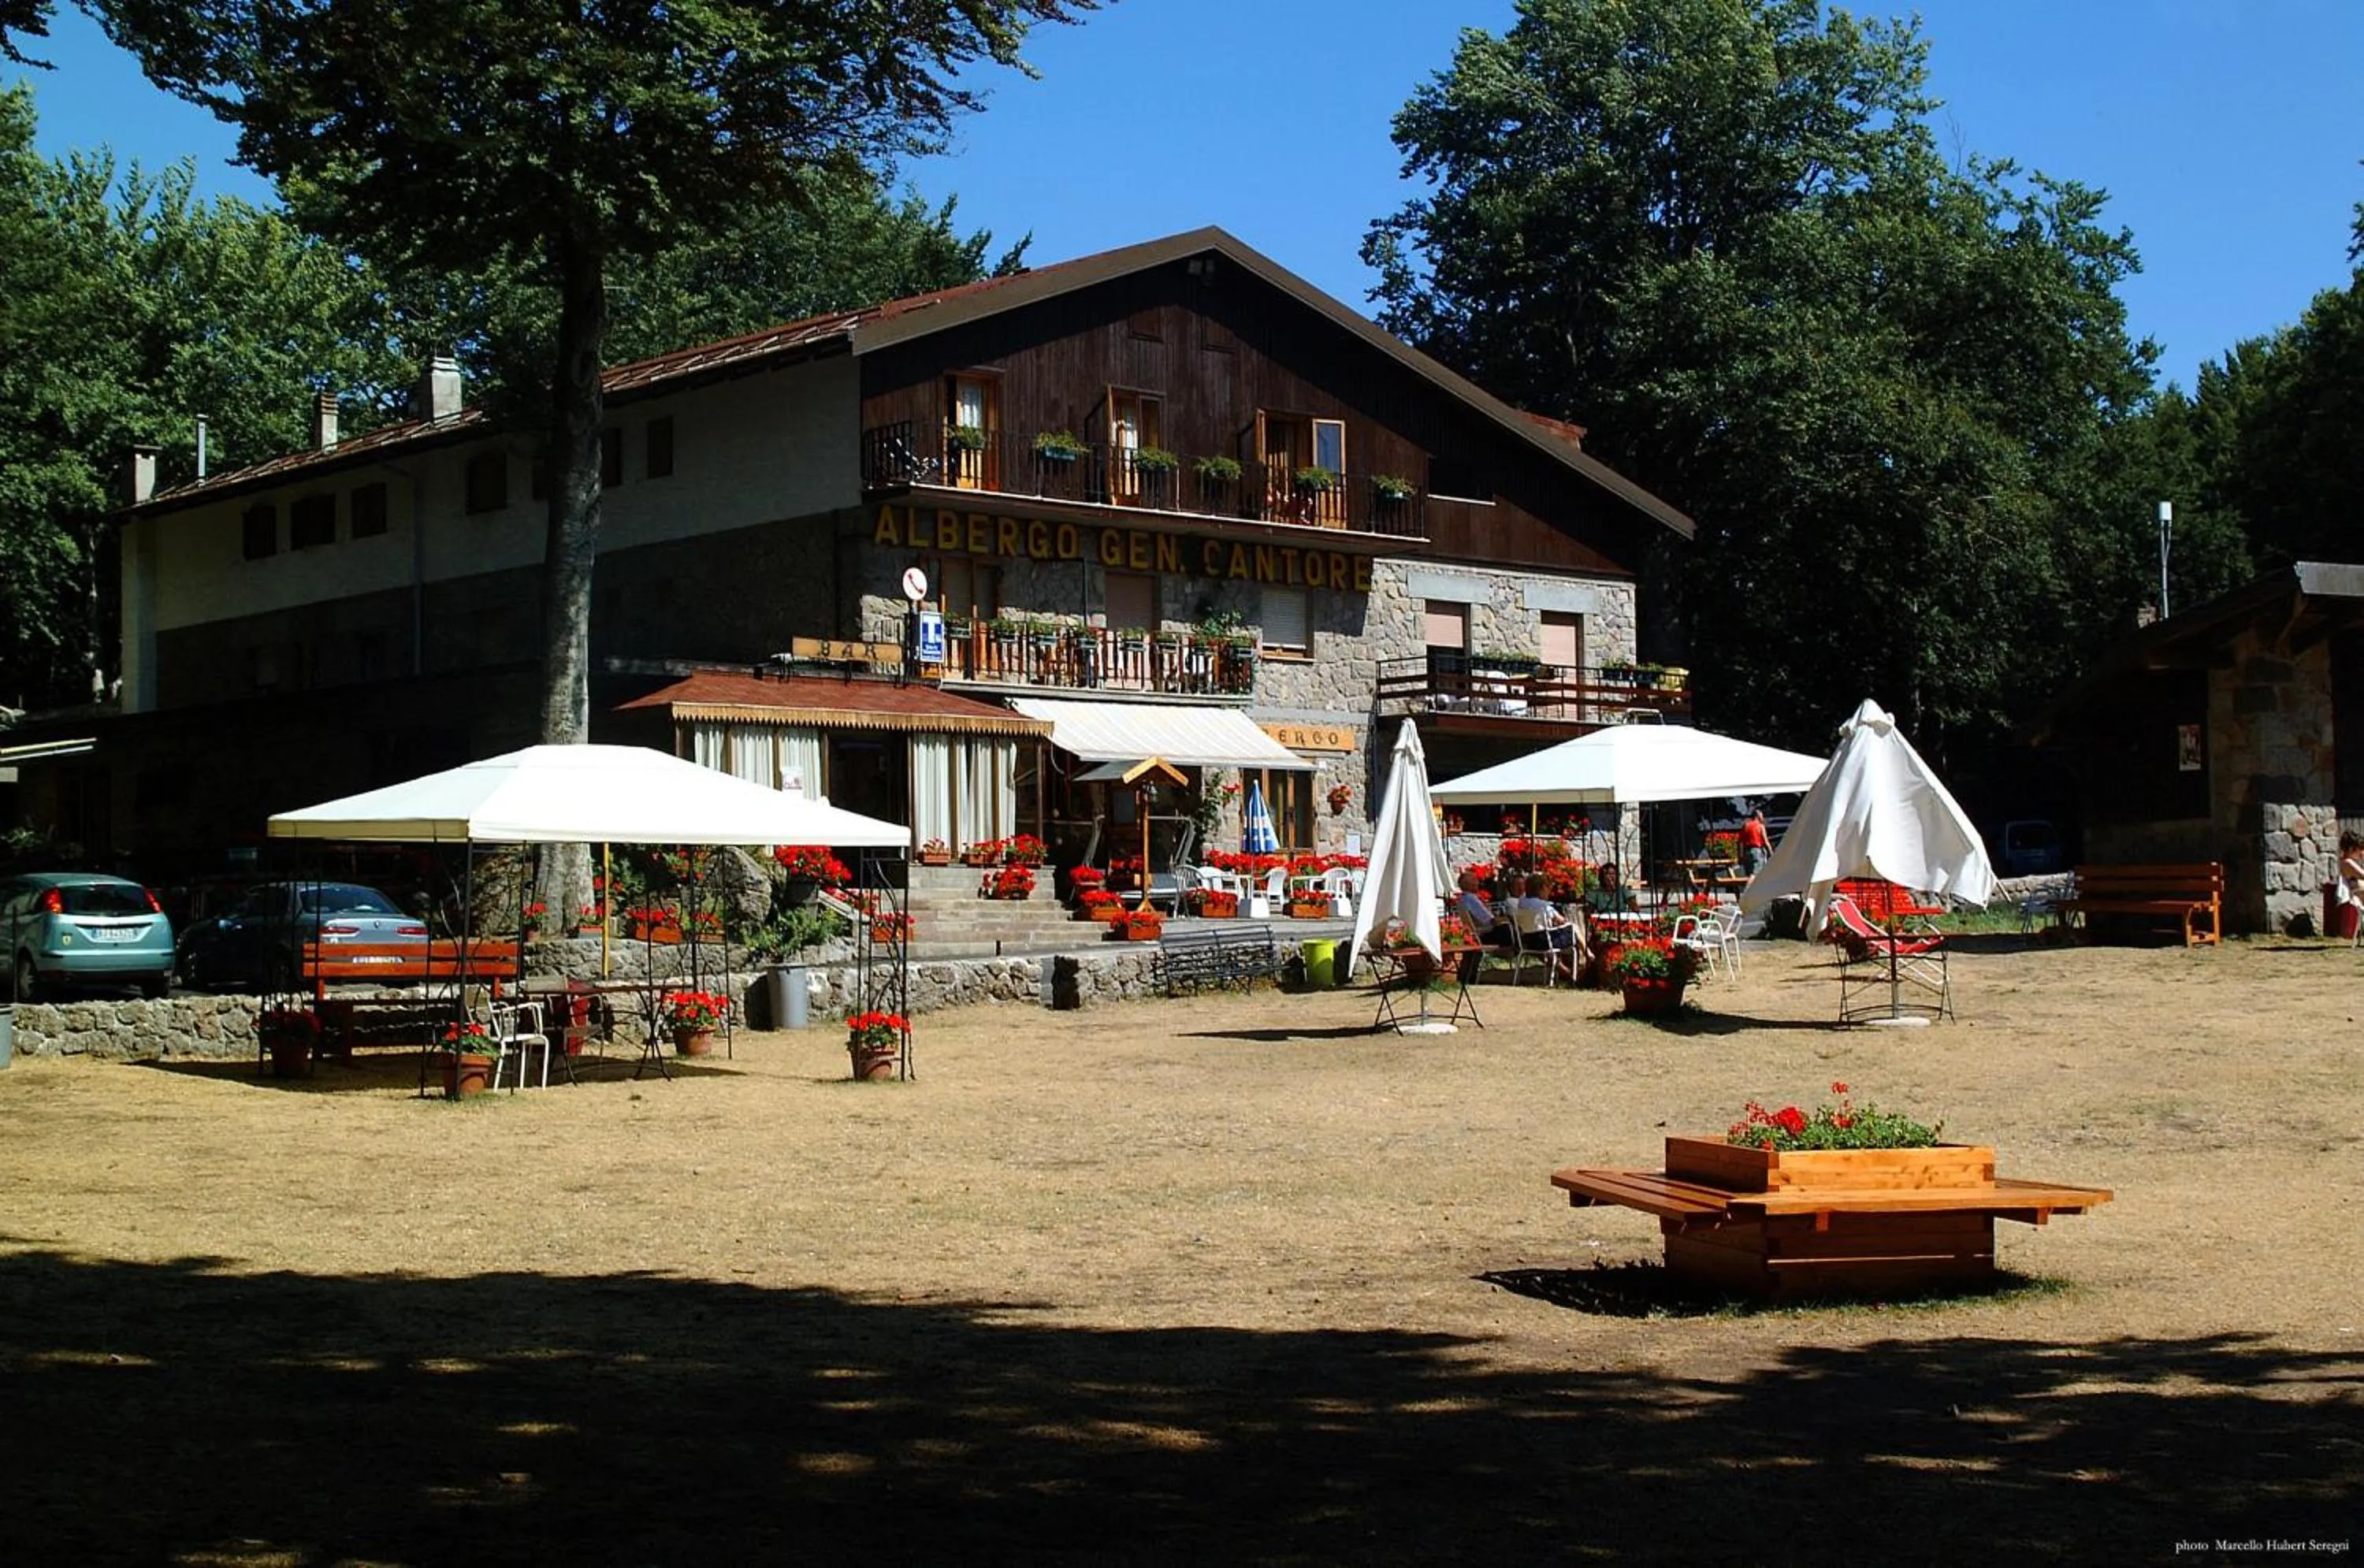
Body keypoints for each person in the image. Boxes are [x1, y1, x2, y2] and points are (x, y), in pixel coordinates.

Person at [1514, 872, 1586, 983]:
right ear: (1542, 888)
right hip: (1546, 942)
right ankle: (1587, 955)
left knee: (1567, 931)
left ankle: (1568, 971)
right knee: (1574, 928)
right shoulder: (1545, 906)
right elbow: (1562, 920)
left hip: (1529, 941)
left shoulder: (1521, 904)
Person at [1456, 868, 1514, 949]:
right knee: (1513, 930)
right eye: (1474, 880)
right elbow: (1491, 921)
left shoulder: (1462, 900)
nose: (1478, 883)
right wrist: (1508, 919)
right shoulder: (1471, 899)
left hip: (1477, 934)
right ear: (1467, 885)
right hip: (1485, 936)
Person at [2332, 831, 2364, 940]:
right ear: (2351, 849)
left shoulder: (2348, 862)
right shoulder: (2347, 862)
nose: (2362, 853)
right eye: (2360, 849)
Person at [1741, 808, 1772, 875]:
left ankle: (1749, 885)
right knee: (1755, 875)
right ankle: (1749, 886)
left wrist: (1740, 856)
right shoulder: (1760, 826)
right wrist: (1771, 853)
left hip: (1746, 852)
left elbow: (1740, 842)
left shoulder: (1746, 825)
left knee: (1748, 875)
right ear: (1758, 816)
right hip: (1756, 852)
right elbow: (1766, 842)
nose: (1763, 818)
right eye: (1762, 816)